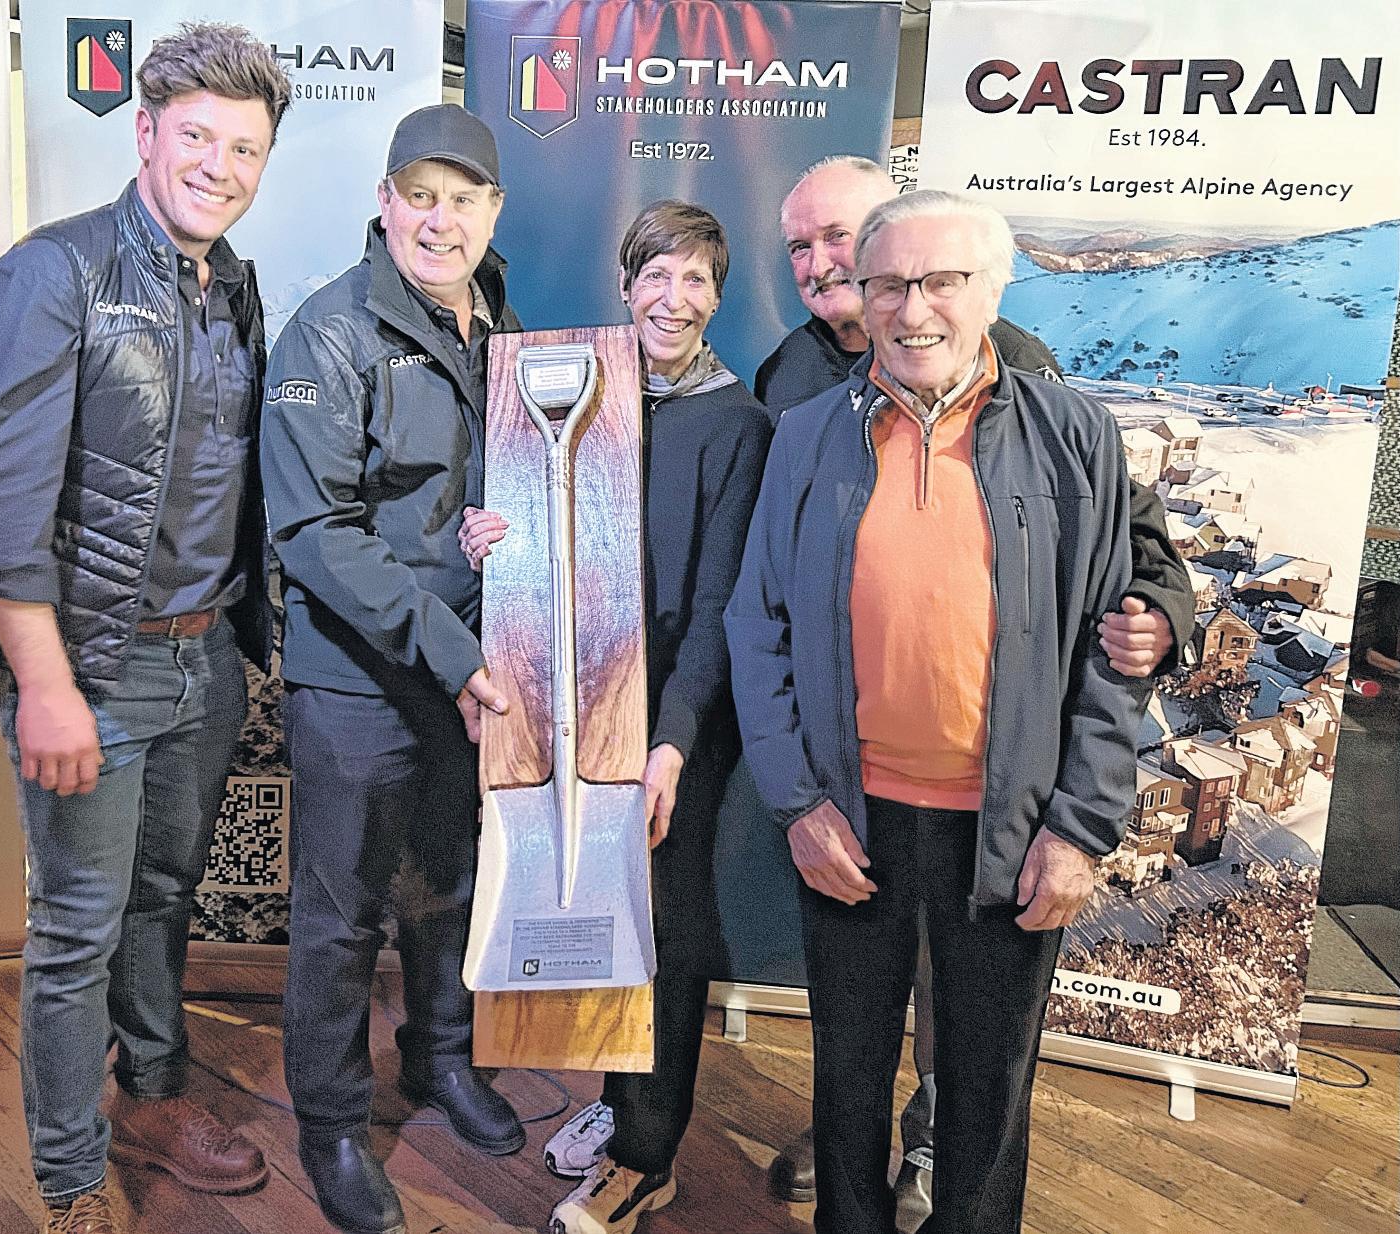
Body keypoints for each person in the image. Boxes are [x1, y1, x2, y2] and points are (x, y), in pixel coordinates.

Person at [755, 156, 1195, 1229]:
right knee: (846, 1071)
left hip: (1012, 826)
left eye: (942, 281)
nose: (913, 309)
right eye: (889, 285)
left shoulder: (1073, 433)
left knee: (989, 1086)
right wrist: (797, 802)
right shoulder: (806, 427)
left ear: (993, 290)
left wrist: (1080, 827)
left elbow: (1112, 643)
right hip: (851, 818)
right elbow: (756, 624)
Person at [0, 23, 290, 1233]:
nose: (219, 167)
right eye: (198, 136)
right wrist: (46, 686)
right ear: (144, 133)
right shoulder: (53, 274)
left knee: (161, 899)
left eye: (244, 149)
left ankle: (150, 1094)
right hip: (93, 664)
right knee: (74, 930)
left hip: (207, 656)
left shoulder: (233, 283)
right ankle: (70, 1175)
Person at [458, 201, 774, 1234]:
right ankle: (615, 1092)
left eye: (697, 280)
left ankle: (645, 1153)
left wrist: (673, 740)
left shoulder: (738, 425)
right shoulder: (586, 400)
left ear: (717, 295)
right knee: (595, 898)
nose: (674, 300)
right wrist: (484, 538)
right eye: (656, 277)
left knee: (663, 924)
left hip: (678, 716)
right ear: (627, 286)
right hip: (579, 702)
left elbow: (723, 600)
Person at [259, 104, 525, 1234]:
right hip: (359, 677)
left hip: (466, 671)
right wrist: (456, 653)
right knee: (340, 915)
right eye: (420, 196)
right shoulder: (327, 334)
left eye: (463, 199)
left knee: (447, 884)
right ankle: (330, 1122)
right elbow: (317, 532)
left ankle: (440, 1056)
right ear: (384, 202)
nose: (440, 220)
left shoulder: (500, 323)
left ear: (493, 211)